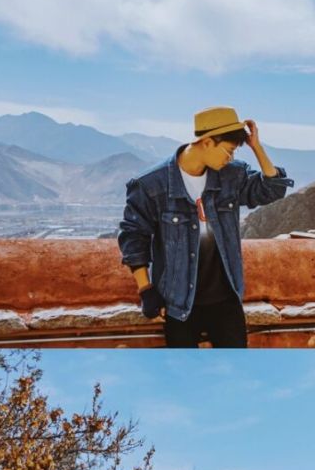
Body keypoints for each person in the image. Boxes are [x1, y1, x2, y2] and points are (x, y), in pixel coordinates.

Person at [118, 106, 292, 347]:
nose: (230, 157)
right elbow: (134, 236)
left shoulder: (231, 175)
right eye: (228, 150)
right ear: (208, 142)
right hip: (179, 303)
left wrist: (257, 147)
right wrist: (146, 289)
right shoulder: (151, 185)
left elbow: (272, 189)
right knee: (183, 369)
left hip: (226, 300)